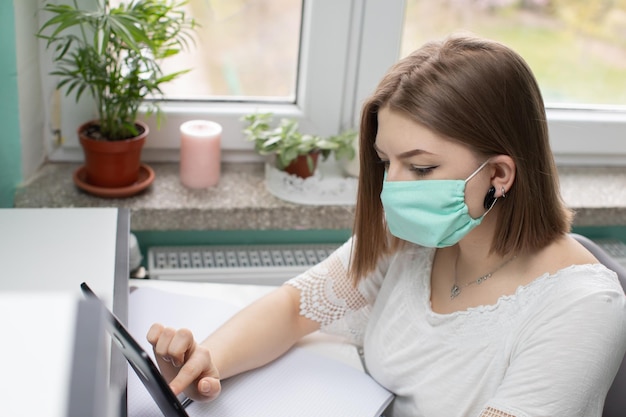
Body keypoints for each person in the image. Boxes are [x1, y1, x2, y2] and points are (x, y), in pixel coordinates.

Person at [147, 34, 626, 417]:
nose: (392, 188)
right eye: (384, 162)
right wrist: (209, 358)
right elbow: (295, 308)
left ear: (498, 175)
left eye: (419, 169)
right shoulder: (414, 240)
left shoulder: (581, 310)